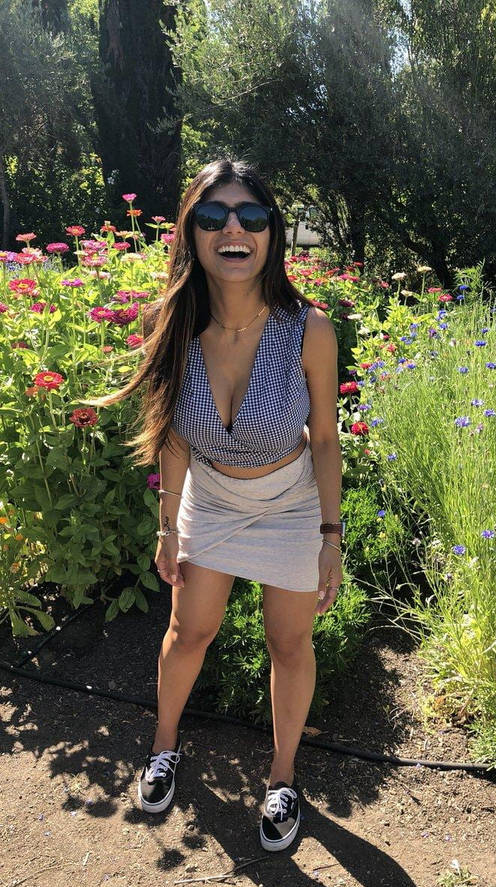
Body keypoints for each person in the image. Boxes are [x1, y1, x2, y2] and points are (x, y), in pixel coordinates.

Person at [93, 158, 344, 851]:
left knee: (288, 643)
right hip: (210, 497)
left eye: (251, 216)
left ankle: (283, 777)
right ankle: (163, 744)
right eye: (213, 215)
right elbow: (173, 434)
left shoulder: (309, 330)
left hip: (290, 502)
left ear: (271, 234)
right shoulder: (171, 324)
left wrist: (331, 535)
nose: (234, 228)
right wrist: (167, 526)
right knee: (188, 631)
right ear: (192, 233)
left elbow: (325, 439)